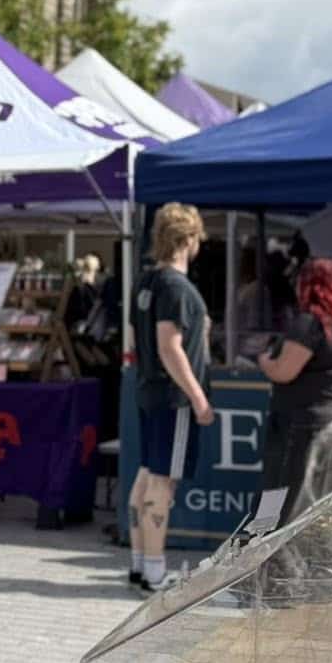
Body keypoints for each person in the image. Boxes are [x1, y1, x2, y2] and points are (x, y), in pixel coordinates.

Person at [131, 203, 212, 595]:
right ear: (188, 239)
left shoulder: (147, 282)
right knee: (162, 483)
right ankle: (154, 572)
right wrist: (198, 397)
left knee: (146, 477)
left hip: (150, 390)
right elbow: (170, 346)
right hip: (173, 396)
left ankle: (139, 565)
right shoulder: (176, 287)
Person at [256, 259, 332, 524]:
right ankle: (309, 564)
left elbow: (283, 371)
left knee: (280, 501)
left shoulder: (311, 323)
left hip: (305, 427)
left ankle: (273, 562)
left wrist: (264, 360)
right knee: (323, 506)